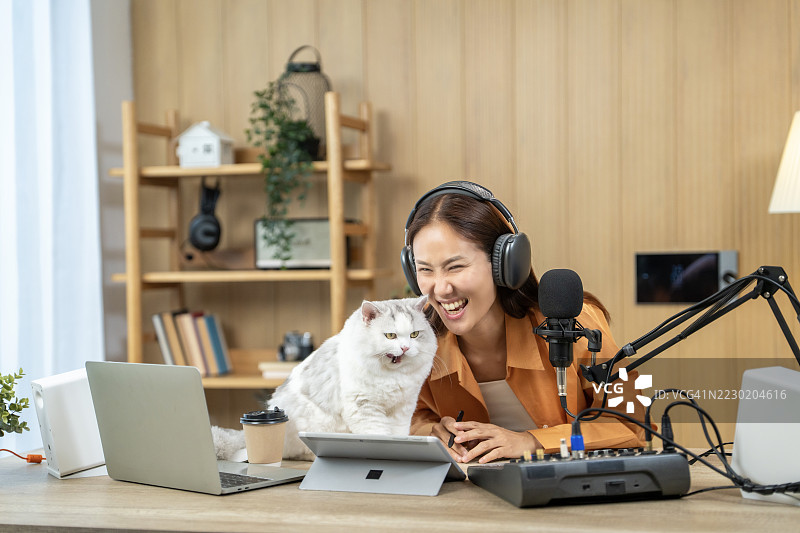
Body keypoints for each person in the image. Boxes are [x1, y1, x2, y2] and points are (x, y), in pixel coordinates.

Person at [402, 181, 648, 464]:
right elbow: (406, 419)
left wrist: (531, 441)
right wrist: (431, 433)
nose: (441, 288)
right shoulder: (416, 345)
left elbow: (632, 423)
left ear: (504, 263)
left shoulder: (575, 324)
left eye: (455, 266)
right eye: (425, 270)